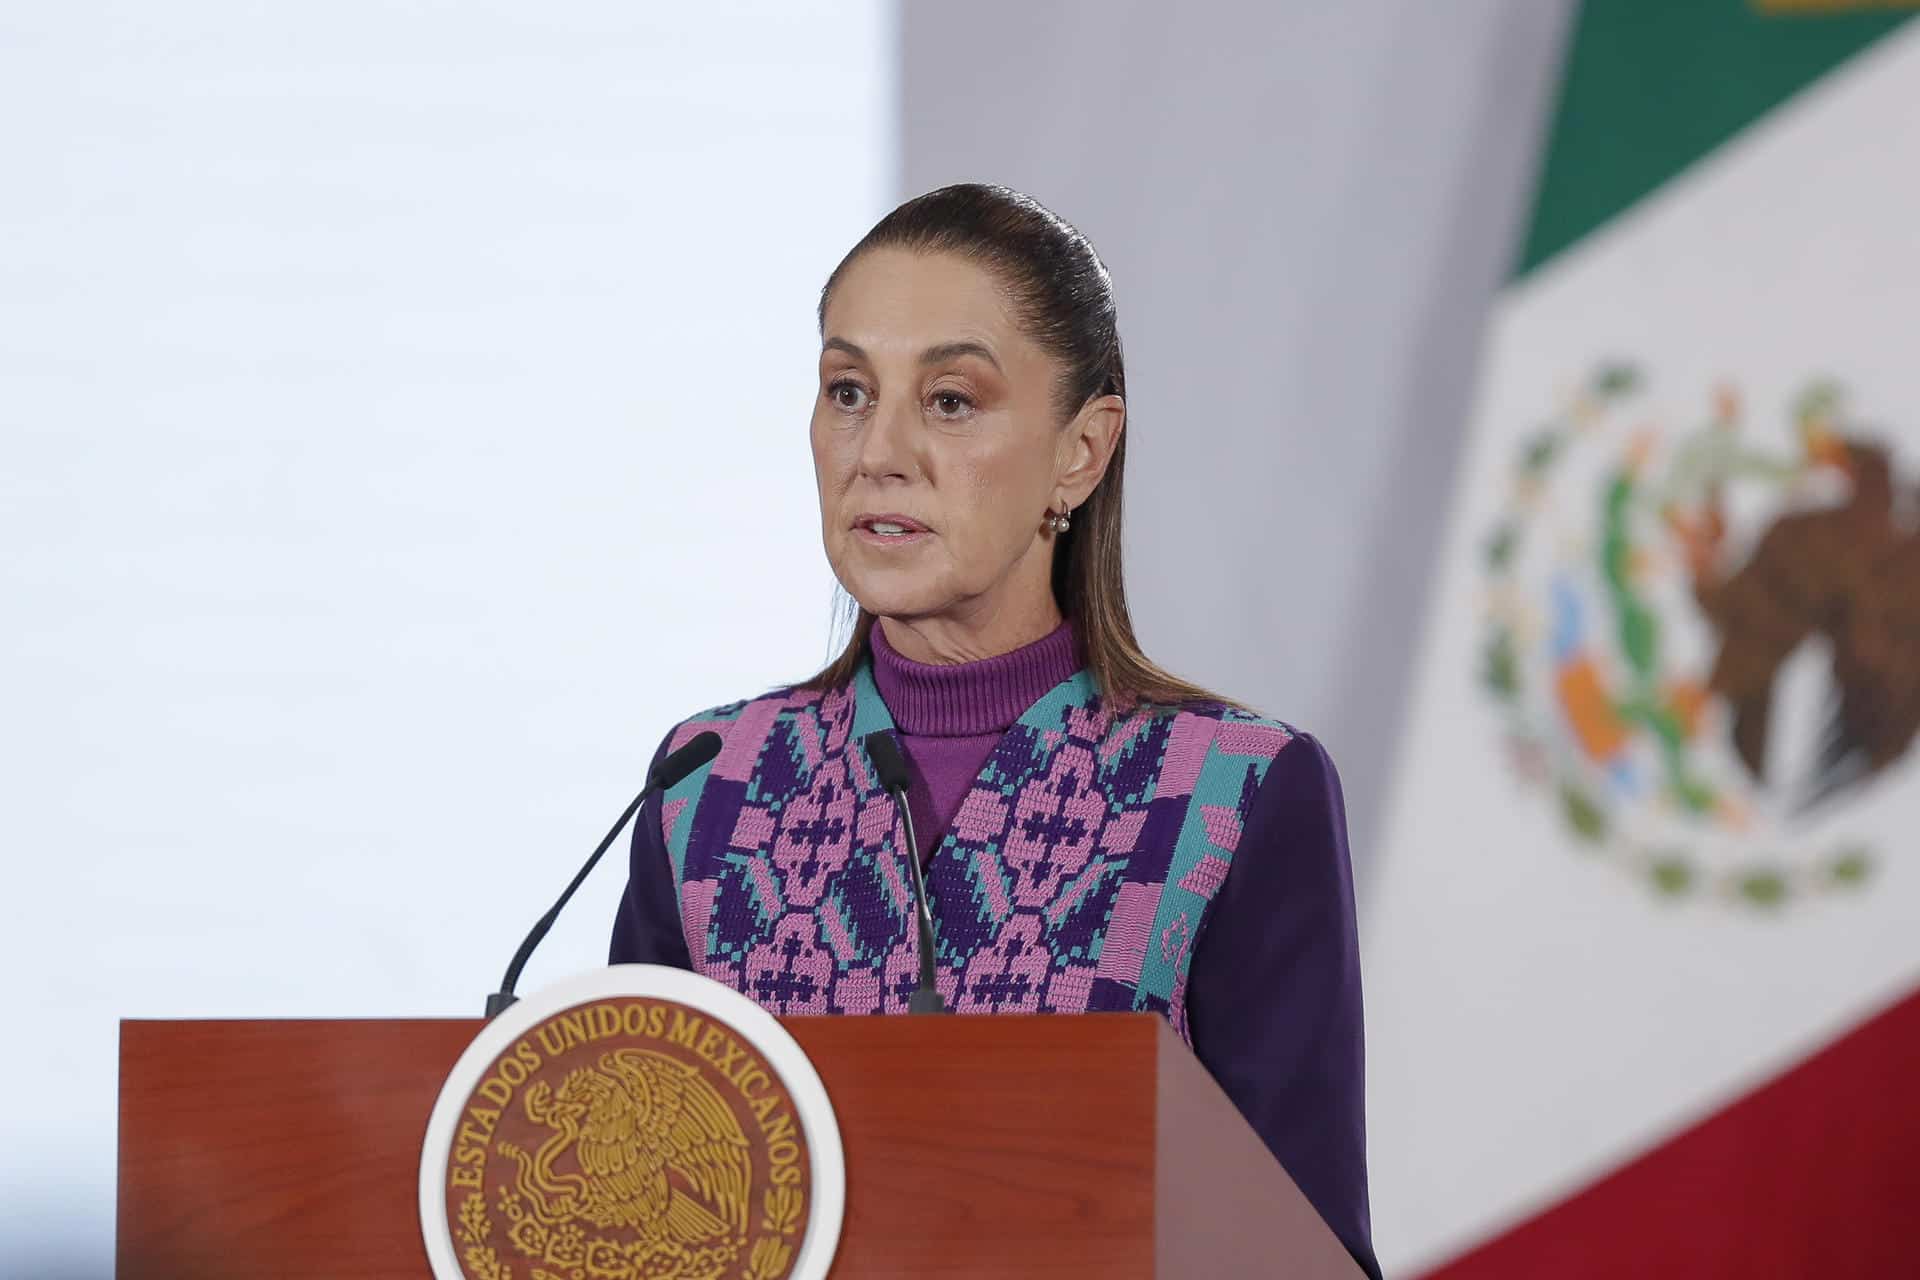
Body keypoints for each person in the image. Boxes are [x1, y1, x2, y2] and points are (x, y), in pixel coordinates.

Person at [611, 183, 1377, 1277]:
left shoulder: (1235, 793)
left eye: (951, 401)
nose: (879, 452)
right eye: (847, 392)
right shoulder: (709, 787)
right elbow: (629, 1218)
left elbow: (1306, 1253)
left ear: (1081, 450)